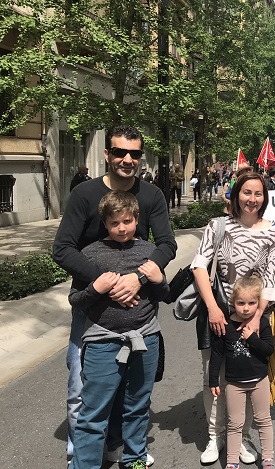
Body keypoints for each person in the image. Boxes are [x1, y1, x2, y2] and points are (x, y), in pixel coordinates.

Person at [54, 125, 176, 467]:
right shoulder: (84, 194)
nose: (127, 159)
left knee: (133, 396)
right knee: (82, 390)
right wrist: (105, 281)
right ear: (107, 154)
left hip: (139, 309)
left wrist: (138, 278)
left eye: (134, 153)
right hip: (92, 307)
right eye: (120, 152)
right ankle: (81, 457)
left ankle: (119, 448)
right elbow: (62, 248)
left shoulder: (152, 195)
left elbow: (166, 244)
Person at [67, 191, 169, 469]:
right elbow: (76, 300)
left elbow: (164, 295)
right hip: (103, 342)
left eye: (127, 221)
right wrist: (95, 288)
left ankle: (135, 459)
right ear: (105, 223)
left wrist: (158, 280)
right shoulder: (90, 254)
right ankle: (85, 464)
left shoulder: (149, 252)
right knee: (93, 412)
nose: (122, 228)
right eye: (114, 223)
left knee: (137, 406)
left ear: (137, 219)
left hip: (145, 339)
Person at [191, 172, 275, 465]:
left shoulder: (273, 232)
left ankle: (241, 436)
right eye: (246, 192)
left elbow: (272, 280)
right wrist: (213, 308)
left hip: (255, 318)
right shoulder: (218, 226)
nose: (252, 199)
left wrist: (257, 318)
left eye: (258, 194)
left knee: (249, 375)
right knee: (214, 374)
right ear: (236, 194)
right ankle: (215, 435)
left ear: (264, 198)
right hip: (219, 314)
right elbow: (199, 266)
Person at [209, 275, 275, 469]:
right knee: (234, 424)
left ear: (258, 302)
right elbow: (217, 354)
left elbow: (269, 350)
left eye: (251, 303)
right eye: (241, 303)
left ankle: (268, 459)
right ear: (233, 301)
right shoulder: (226, 325)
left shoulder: (262, 323)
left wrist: (252, 338)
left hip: (259, 381)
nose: (246, 308)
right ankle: (232, 462)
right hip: (234, 384)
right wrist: (213, 380)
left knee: (263, 420)